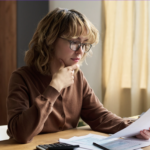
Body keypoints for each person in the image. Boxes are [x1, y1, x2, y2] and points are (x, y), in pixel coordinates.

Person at [7, 8, 150, 144]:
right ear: (49, 40)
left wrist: (135, 127)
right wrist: (54, 88)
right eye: (74, 42)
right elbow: (21, 134)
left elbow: (99, 117)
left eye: (85, 44)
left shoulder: (77, 77)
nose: (81, 51)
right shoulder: (21, 78)